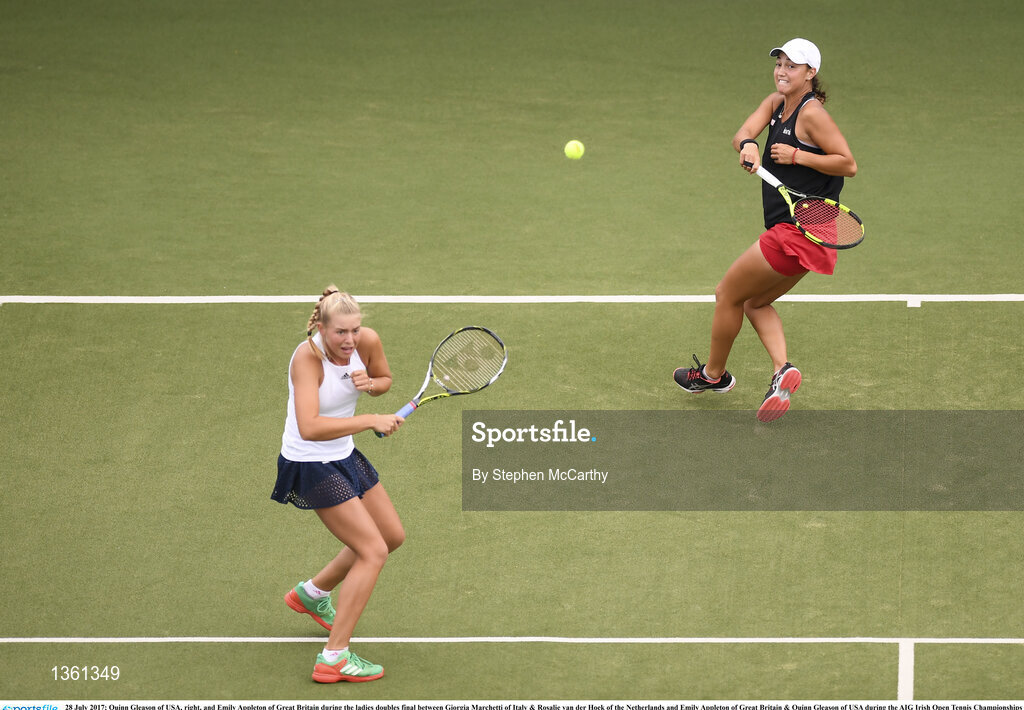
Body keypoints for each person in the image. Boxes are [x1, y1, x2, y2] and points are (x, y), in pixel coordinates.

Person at [673, 38, 857, 422]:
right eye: (780, 63)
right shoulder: (776, 104)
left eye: (793, 66)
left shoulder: (811, 115)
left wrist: (797, 155)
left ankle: (713, 376)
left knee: (727, 293)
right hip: (811, 238)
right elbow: (743, 131)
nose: (782, 71)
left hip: (798, 229)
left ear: (811, 73)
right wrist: (748, 146)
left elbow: (847, 163)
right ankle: (781, 371)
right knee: (754, 303)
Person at [272, 286, 405, 682]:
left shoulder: (366, 341)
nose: (350, 341)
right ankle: (334, 658)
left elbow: (384, 379)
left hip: (343, 454)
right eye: (340, 334)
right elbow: (310, 427)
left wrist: (370, 385)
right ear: (321, 329)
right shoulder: (306, 359)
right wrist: (370, 419)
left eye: (355, 331)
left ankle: (311, 595)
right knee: (372, 551)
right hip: (310, 463)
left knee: (391, 535)